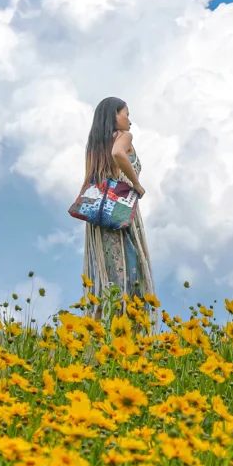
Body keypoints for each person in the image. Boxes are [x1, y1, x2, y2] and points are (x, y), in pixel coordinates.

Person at [81, 96, 155, 312]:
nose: (129, 121)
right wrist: (136, 183)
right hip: (121, 210)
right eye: (126, 114)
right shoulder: (124, 136)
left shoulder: (95, 146)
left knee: (106, 274)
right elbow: (118, 153)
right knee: (130, 266)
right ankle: (131, 324)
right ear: (115, 115)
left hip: (100, 216)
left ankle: (101, 322)